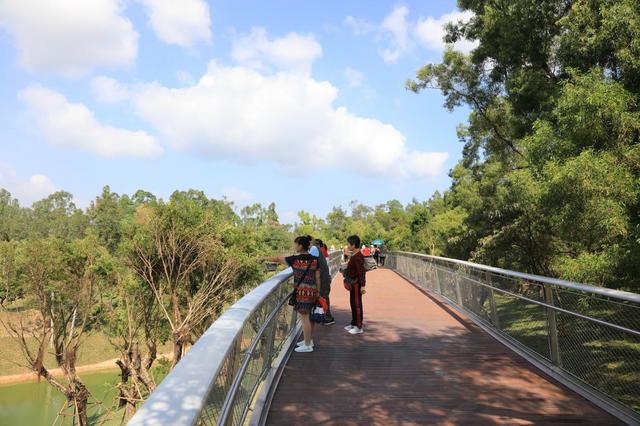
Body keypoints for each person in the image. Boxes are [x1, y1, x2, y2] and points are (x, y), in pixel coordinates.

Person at [262, 236, 320, 352]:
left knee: (305, 318)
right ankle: (308, 340)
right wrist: (318, 292)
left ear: (300, 246)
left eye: (296, 244)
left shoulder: (294, 260)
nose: (295, 246)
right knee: (310, 317)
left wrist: (264, 258)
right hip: (312, 291)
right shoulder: (314, 260)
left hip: (302, 293)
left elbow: (278, 259)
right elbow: (318, 277)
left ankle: (307, 345)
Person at [344, 235, 366, 334]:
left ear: (353, 245)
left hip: (357, 283)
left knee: (357, 304)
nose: (348, 246)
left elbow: (361, 272)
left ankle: (359, 326)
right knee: (353, 303)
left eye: (349, 244)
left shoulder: (357, 257)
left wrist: (363, 285)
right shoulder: (355, 255)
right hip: (353, 283)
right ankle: (353, 323)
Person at [312, 239, 335, 325]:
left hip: (323, 279)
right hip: (325, 278)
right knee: (324, 297)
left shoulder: (318, 252)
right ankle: (325, 316)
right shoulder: (322, 252)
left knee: (323, 297)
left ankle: (328, 318)